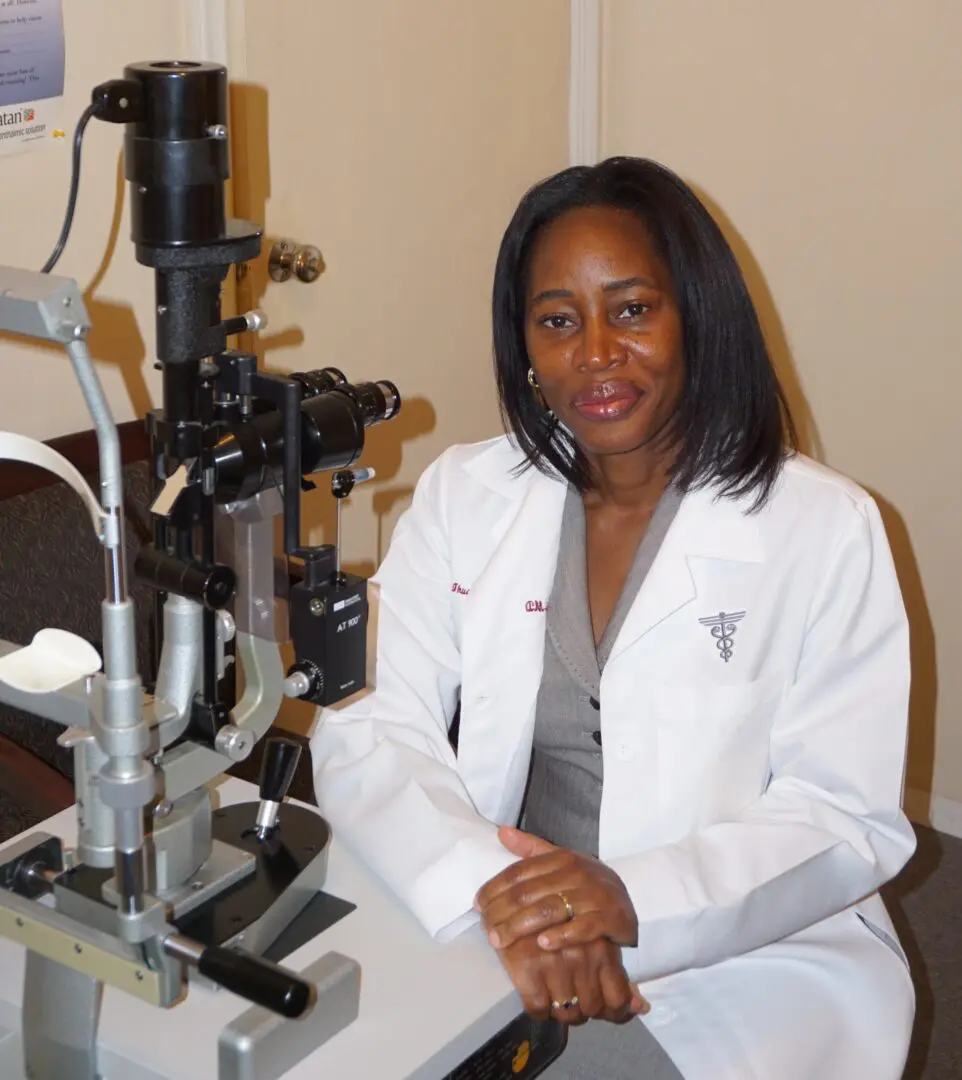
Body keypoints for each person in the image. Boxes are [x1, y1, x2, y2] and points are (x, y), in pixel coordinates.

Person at [309, 157, 917, 1079]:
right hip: (495, 910)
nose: (595, 352)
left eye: (631, 309)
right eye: (558, 321)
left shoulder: (824, 526)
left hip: (741, 947)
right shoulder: (464, 496)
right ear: (525, 346)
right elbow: (368, 717)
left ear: (698, 318)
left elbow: (841, 815)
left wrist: (626, 900)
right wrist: (502, 896)